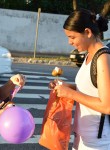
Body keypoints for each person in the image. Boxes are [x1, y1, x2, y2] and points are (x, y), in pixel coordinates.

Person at [49, 9, 110, 150]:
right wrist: (65, 87)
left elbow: (107, 105)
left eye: (72, 37)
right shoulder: (89, 55)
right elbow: (91, 89)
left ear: (87, 32)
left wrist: (70, 94)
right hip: (83, 137)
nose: (70, 42)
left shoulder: (103, 58)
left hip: (97, 143)